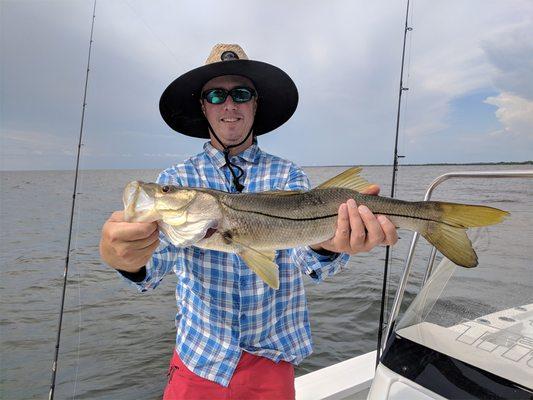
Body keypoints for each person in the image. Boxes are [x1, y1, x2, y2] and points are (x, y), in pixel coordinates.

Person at [100, 44, 398, 399]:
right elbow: (151, 271)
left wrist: (327, 245)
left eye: (241, 94)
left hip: (272, 361)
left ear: (255, 104)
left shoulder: (288, 175)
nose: (230, 105)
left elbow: (312, 264)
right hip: (199, 359)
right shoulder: (178, 175)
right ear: (203, 106)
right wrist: (126, 260)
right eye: (216, 94)